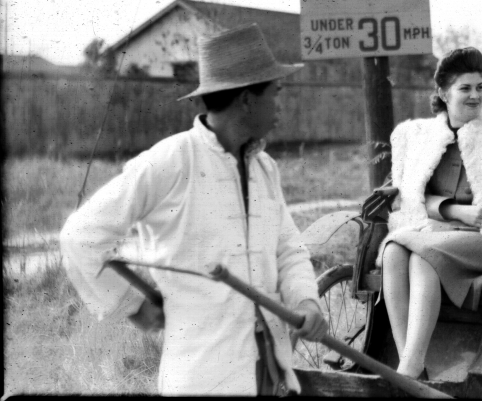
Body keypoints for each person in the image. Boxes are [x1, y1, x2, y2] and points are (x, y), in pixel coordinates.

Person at [61, 24, 327, 396]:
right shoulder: (171, 161)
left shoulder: (265, 168)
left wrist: (306, 302)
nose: (279, 105)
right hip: (202, 376)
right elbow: (81, 236)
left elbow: (288, 249)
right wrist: (133, 304)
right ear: (247, 100)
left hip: (269, 370)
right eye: (274, 93)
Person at [381, 47, 482, 379]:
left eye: (479, 87)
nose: (475, 96)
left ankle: (409, 370)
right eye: (465, 88)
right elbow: (414, 197)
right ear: (444, 93)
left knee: (420, 254)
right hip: (436, 233)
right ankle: (412, 365)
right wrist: (456, 210)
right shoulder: (423, 138)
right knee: (394, 250)